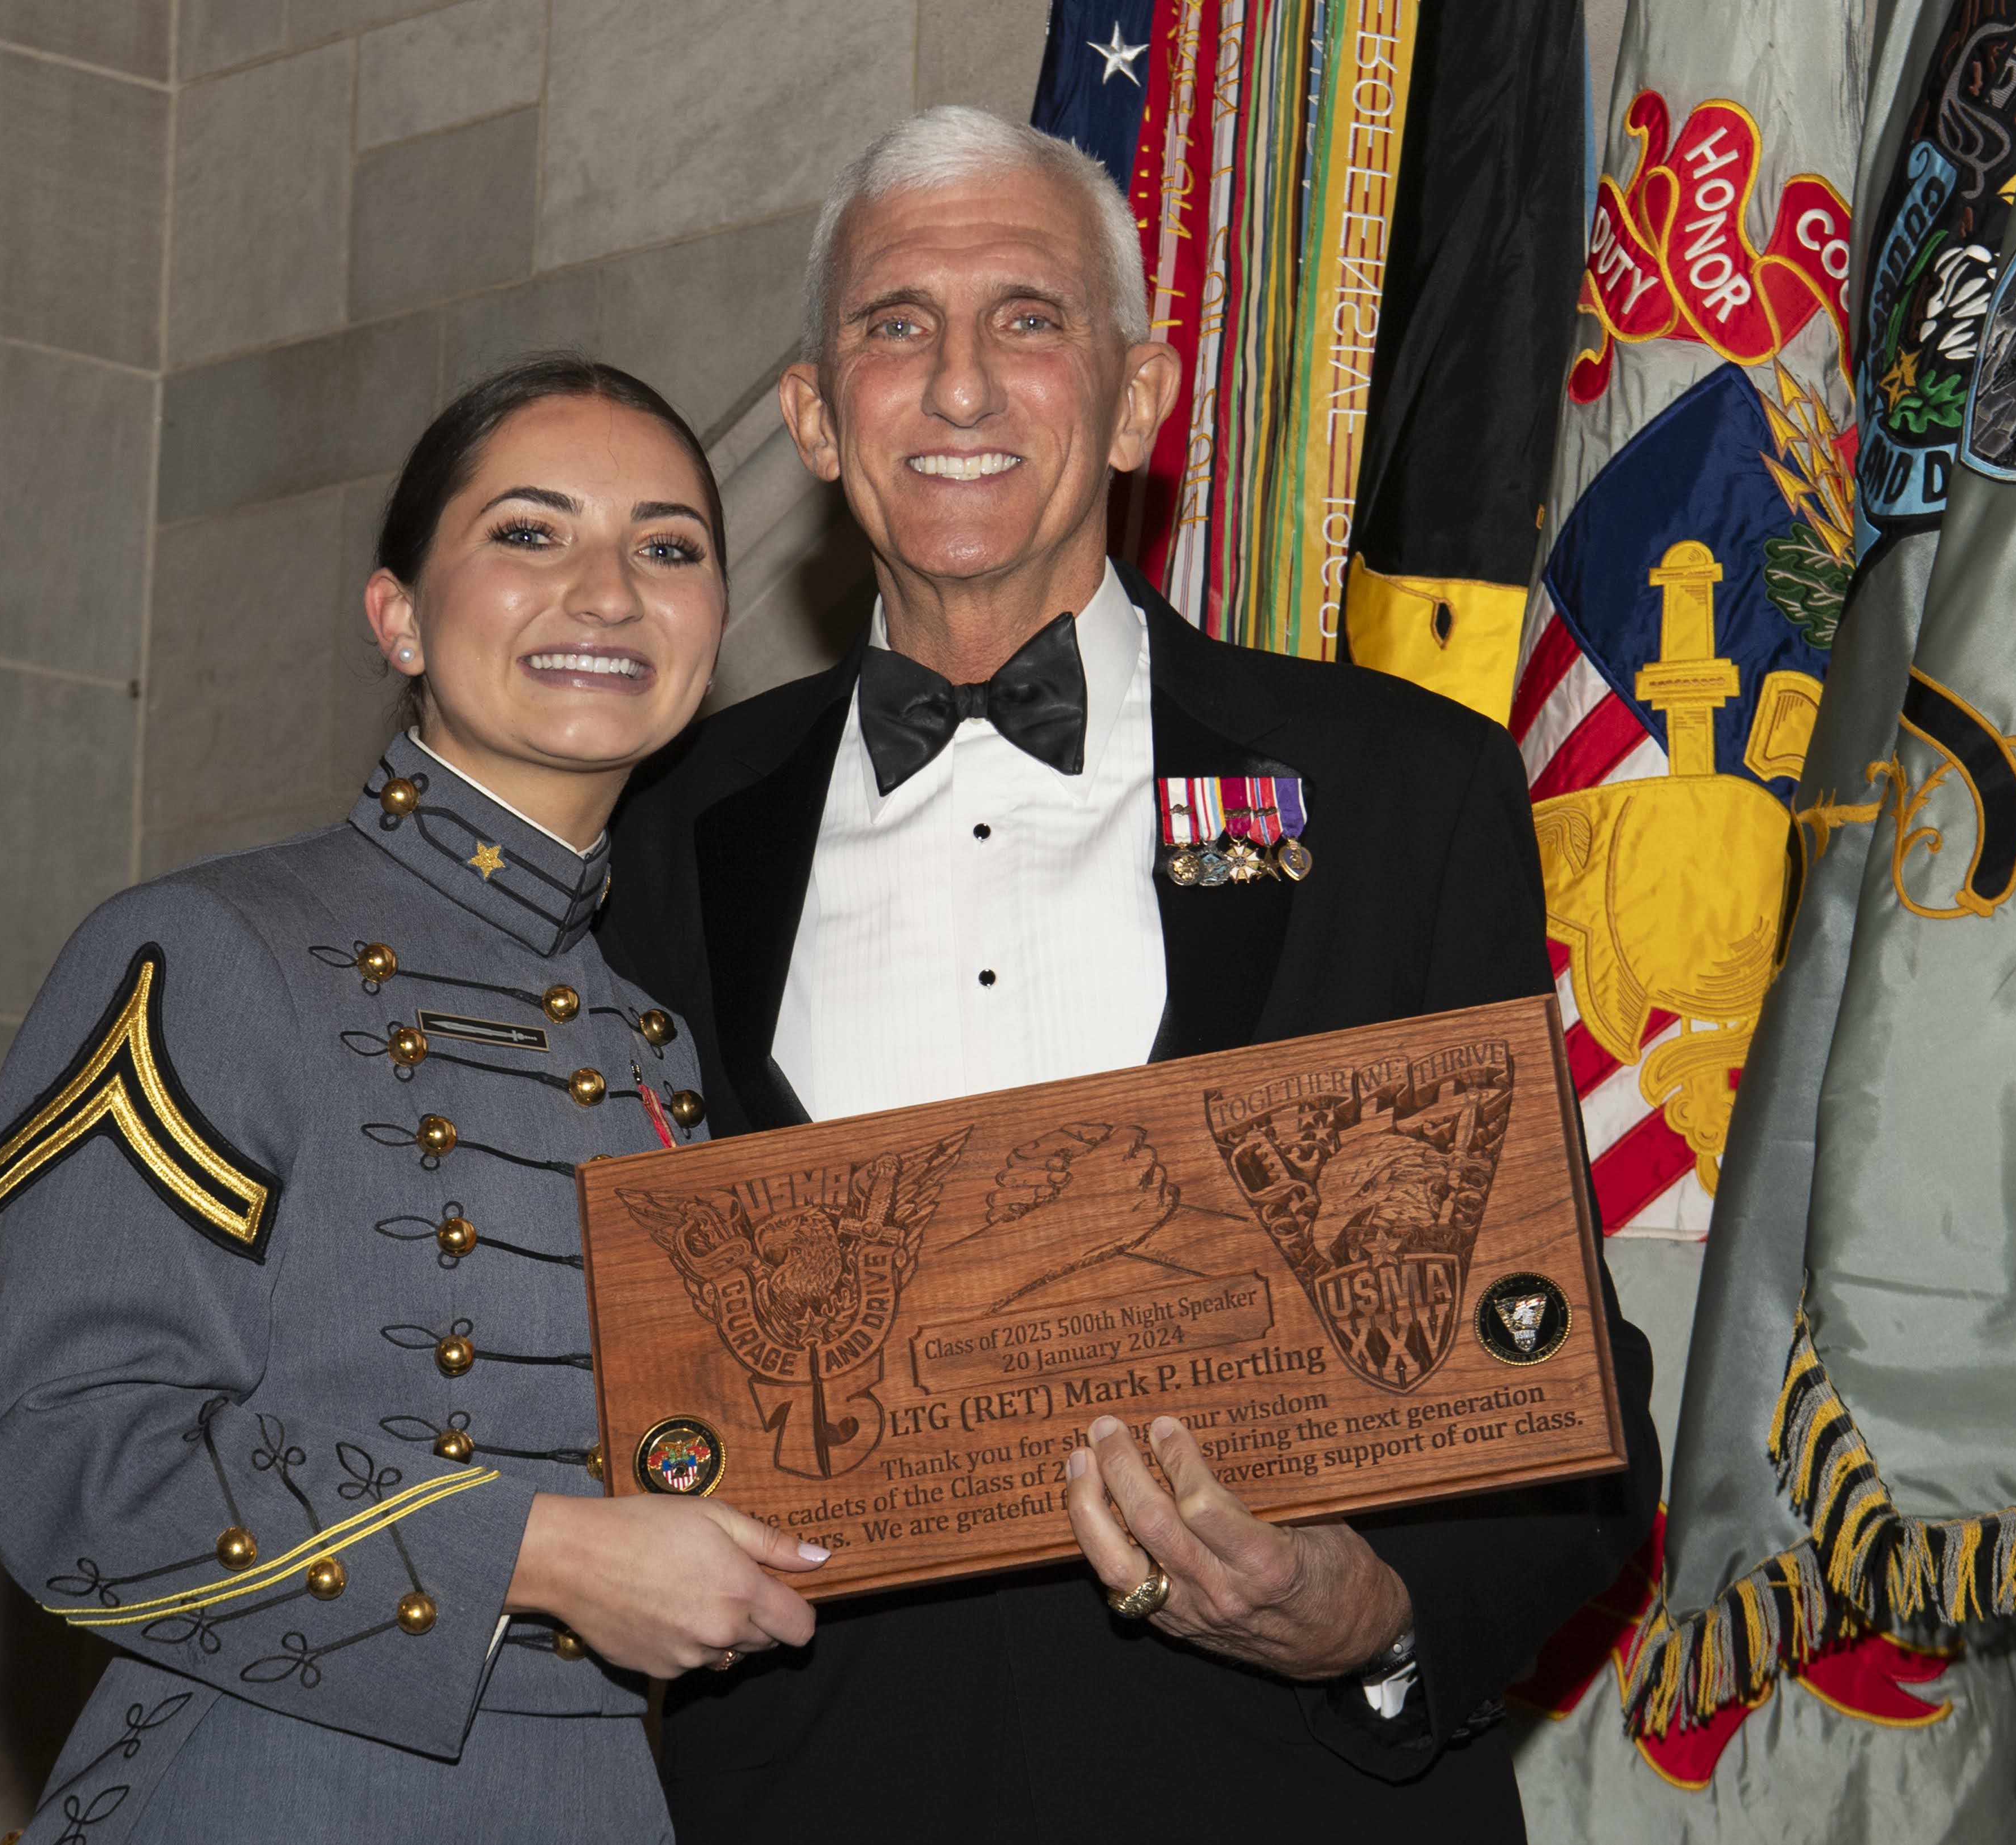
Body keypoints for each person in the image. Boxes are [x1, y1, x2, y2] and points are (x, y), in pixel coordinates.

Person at [599, 107, 1662, 1839]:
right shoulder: (653, 836)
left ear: (1144, 396)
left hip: (1286, 1796)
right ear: (809, 413)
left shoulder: (1402, 785)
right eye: (893, 325)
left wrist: (1373, 1613)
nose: (956, 388)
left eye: (1026, 318)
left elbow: (1547, 1366)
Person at [0, 356, 825, 1843]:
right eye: (530, 533)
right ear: (400, 617)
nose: (609, 591)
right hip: (276, 1783)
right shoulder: (200, 950)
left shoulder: (660, 1048)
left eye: (668, 546)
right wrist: (541, 1556)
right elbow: (79, 1466)